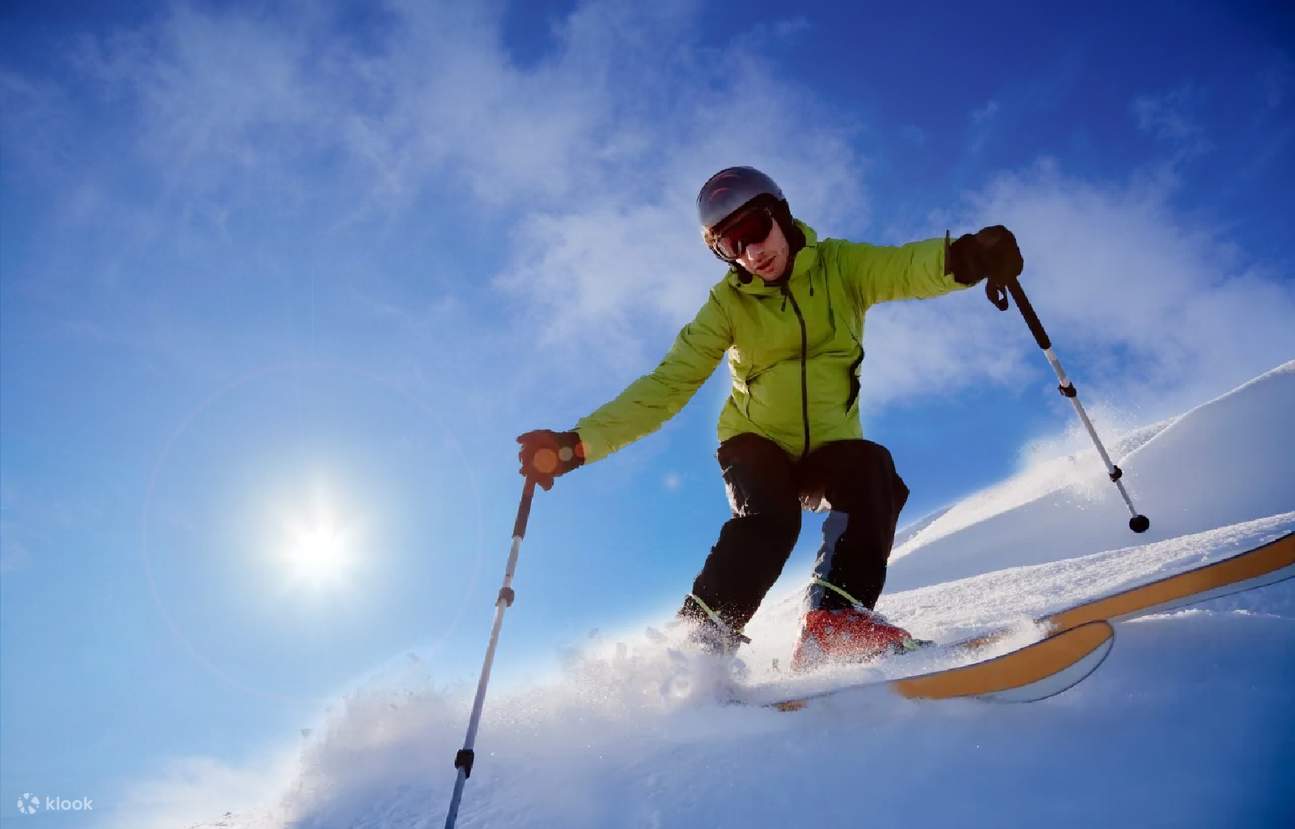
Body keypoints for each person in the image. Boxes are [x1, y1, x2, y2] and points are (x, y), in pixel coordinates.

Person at [517, 166, 1023, 671]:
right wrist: (578, 445)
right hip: (756, 441)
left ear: (780, 215)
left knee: (874, 471)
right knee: (770, 521)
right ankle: (697, 646)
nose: (751, 254)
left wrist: (965, 257)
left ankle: (836, 625)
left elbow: (903, 268)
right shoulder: (727, 306)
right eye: (730, 246)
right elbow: (666, 385)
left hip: (829, 445)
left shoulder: (839, 267)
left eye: (755, 232)